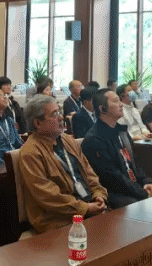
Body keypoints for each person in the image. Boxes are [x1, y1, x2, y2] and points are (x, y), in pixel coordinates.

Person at [18, 95, 108, 233]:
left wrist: (98, 195)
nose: (61, 117)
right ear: (37, 123)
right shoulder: (31, 152)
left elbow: (89, 172)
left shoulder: (67, 140)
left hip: (88, 206)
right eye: (55, 114)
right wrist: (85, 208)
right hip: (58, 219)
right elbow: (48, 196)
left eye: (60, 112)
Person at [82, 89, 152, 208]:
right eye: (116, 101)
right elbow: (112, 178)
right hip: (113, 193)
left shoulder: (122, 131)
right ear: (102, 109)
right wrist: (143, 193)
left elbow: (135, 163)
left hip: (133, 188)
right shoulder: (94, 139)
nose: (121, 104)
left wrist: (146, 183)